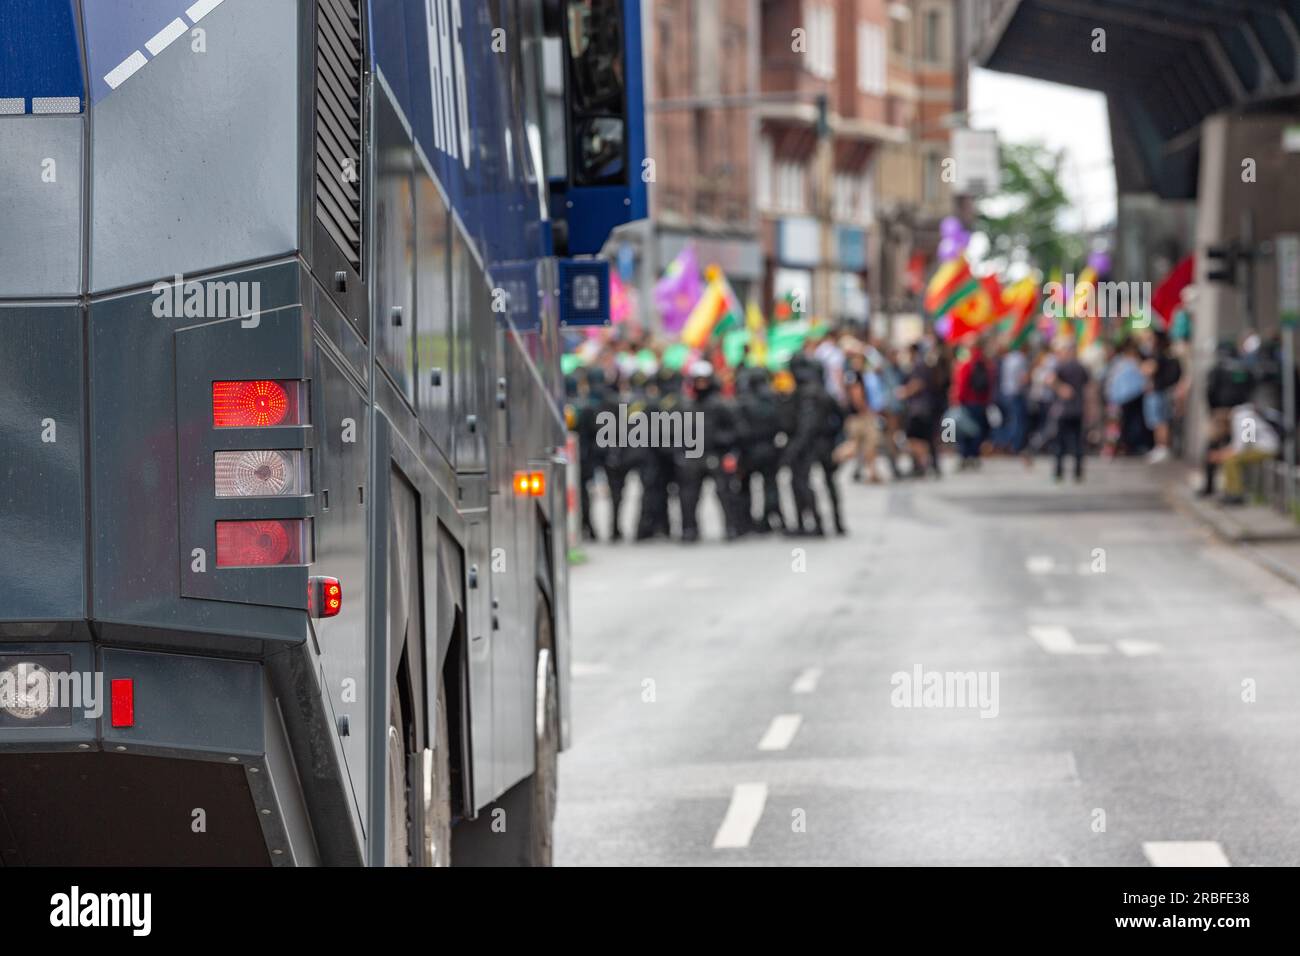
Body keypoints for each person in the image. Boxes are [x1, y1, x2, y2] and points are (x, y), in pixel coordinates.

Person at [677, 363, 743, 542]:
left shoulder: (721, 404)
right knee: (689, 496)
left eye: (703, 380)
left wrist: (721, 441)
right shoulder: (686, 405)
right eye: (697, 380)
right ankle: (689, 529)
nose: (701, 384)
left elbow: (737, 430)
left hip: (716, 454)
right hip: (693, 455)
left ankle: (731, 527)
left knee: (725, 494)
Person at [735, 367, 786, 533]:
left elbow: (739, 427)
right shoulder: (774, 398)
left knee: (745, 486)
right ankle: (769, 517)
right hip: (769, 446)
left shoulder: (743, 400)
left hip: (749, 448)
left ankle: (747, 520)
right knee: (770, 484)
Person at [1202, 341, 1256, 496]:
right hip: (1245, 413)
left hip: (1220, 412)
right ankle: (1241, 486)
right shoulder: (1244, 368)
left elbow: (1210, 391)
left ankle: (1210, 486)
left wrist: (1211, 410)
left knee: (1213, 447)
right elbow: (1252, 387)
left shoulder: (1217, 369)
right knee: (1244, 447)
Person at [1207, 401, 1279, 505]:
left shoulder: (1241, 418)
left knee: (1230, 461)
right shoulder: (1240, 415)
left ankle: (1235, 494)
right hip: (1260, 447)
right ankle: (1230, 491)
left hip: (1267, 448)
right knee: (1228, 459)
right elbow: (1239, 445)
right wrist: (1222, 454)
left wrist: (1220, 455)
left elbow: (1241, 447)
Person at [834, 347, 883, 483]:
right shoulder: (854, 374)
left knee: (866, 446)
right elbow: (856, 395)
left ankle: (873, 473)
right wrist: (865, 410)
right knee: (859, 445)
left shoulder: (852, 374)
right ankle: (833, 457)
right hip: (860, 417)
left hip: (856, 416)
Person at [1048, 338, 1090, 482]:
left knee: (1060, 442)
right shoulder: (1081, 367)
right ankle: (1078, 472)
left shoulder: (1061, 366)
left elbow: (1050, 380)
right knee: (1078, 442)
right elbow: (1088, 385)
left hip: (1064, 410)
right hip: (1077, 409)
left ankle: (1059, 472)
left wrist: (1060, 388)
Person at [951, 337, 994, 469]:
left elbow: (962, 384)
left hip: (967, 402)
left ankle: (964, 456)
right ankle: (975, 456)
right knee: (977, 431)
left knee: (964, 430)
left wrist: (957, 399)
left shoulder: (966, 363)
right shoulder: (987, 363)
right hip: (981, 402)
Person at [1141, 329, 1181, 463]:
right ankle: (1160, 447)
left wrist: (1144, 366)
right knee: (1158, 421)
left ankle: (1162, 447)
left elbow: (1148, 369)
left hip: (1159, 392)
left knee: (1160, 421)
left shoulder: (1158, 355)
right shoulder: (1162, 354)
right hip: (1159, 392)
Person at [997, 342, 1030, 454]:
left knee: (1009, 420)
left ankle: (1004, 443)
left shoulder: (1007, 359)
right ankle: (1014, 446)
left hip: (1005, 393)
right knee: (1018, 422)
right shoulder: (1020, 359)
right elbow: (1023, 378)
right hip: (1016, 393)